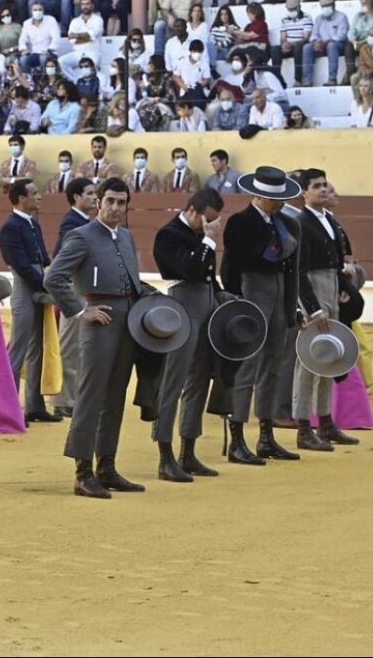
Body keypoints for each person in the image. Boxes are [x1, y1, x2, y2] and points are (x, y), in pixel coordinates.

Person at [44, 177, 156, 498]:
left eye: (122, 203)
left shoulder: (127, 236)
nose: (116, 208)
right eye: (110, 201)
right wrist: (81, 310)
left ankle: (106, 467)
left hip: (127, 323)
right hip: (99, 321)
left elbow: (131, 282)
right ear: (98, 202)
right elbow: (54, 278)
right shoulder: (81, 236)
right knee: (91, 396)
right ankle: (83, 473)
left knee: (115, 395)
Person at [220, 165, 303, 465]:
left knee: (273, 364)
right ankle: (237, 439)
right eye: (274, 199)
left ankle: (266, 436)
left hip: (278, 295)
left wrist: (292, 307)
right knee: (247, 365)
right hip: (251, 292)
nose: (280, 203)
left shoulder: (286, 223)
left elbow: (292, 271)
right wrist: (236, 302)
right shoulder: (240, 222)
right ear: (258, 196)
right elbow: (233, 267)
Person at [150, 188, 227, 483]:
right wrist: (209, 239)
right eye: (207, 219)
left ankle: (188, 452)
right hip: (181, 307)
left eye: (214, 221)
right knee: (174, 381)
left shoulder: (197, 233)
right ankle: (165, 456)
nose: (210, 226)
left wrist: (220, 297)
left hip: (205, 305)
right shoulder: (168, 235)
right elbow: (193, 269)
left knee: (199, 380)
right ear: (192, 211)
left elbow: (208, 276)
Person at [292, 168, 360, 450]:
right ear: (304, 193)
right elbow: (299, 270)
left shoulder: (328, 219)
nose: (322, 189)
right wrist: (313, 308)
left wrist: (342, 285)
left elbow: (334, 264)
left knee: (329, 356)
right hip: (313, 289)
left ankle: (326, 422)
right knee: (309, 359)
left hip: (330, 286)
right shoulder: (301, 222)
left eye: (324, 185)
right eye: (316, 186)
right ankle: (303, 428)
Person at [0, 178, 60, 424]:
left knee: (37, 349)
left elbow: (43, 258)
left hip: (38, 284)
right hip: (25, 289)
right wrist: (45, 284)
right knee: (19, 349)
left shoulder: (32, 223)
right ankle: (9, 409)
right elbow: (21, 266)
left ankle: (34, 406)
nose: (40, 196)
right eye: (34, 193)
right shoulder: (10, 227)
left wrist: (50, 276)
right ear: (22, 199)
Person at [50, 176, 96, 419]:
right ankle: (62, 400)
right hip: (73, 290)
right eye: (90, 193)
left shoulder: (82, 222)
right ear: (77, 197)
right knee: (70, 346)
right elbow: (61, 256)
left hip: (81, 288)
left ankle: (72, 397)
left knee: (77, 346)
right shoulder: (72, 223)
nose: (94, 197)